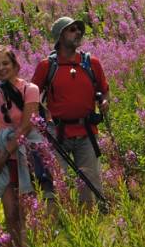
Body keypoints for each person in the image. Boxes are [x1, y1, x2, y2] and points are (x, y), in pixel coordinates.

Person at [31, 17, 109, 208]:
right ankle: (61, 223)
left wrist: (105, 101)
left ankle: (89, 222)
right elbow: (32, 96)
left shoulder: (92, 63)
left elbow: (104, 89)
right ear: (60, 36)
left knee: (90, 185)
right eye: (72, 30)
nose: (78, 33)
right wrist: (38, 124)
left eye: (79, 30)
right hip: (58, 134)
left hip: (87, 132)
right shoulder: (46, 66)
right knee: (58, 183)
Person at [0, 45, 40, 247]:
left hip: (26, 157)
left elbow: (27, 125)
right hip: (5, 163)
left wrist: (3, 154)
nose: (1, 68)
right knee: (11, 214)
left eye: (6, 63)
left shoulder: (30, 89)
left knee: (29, 211)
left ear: (16, 65)